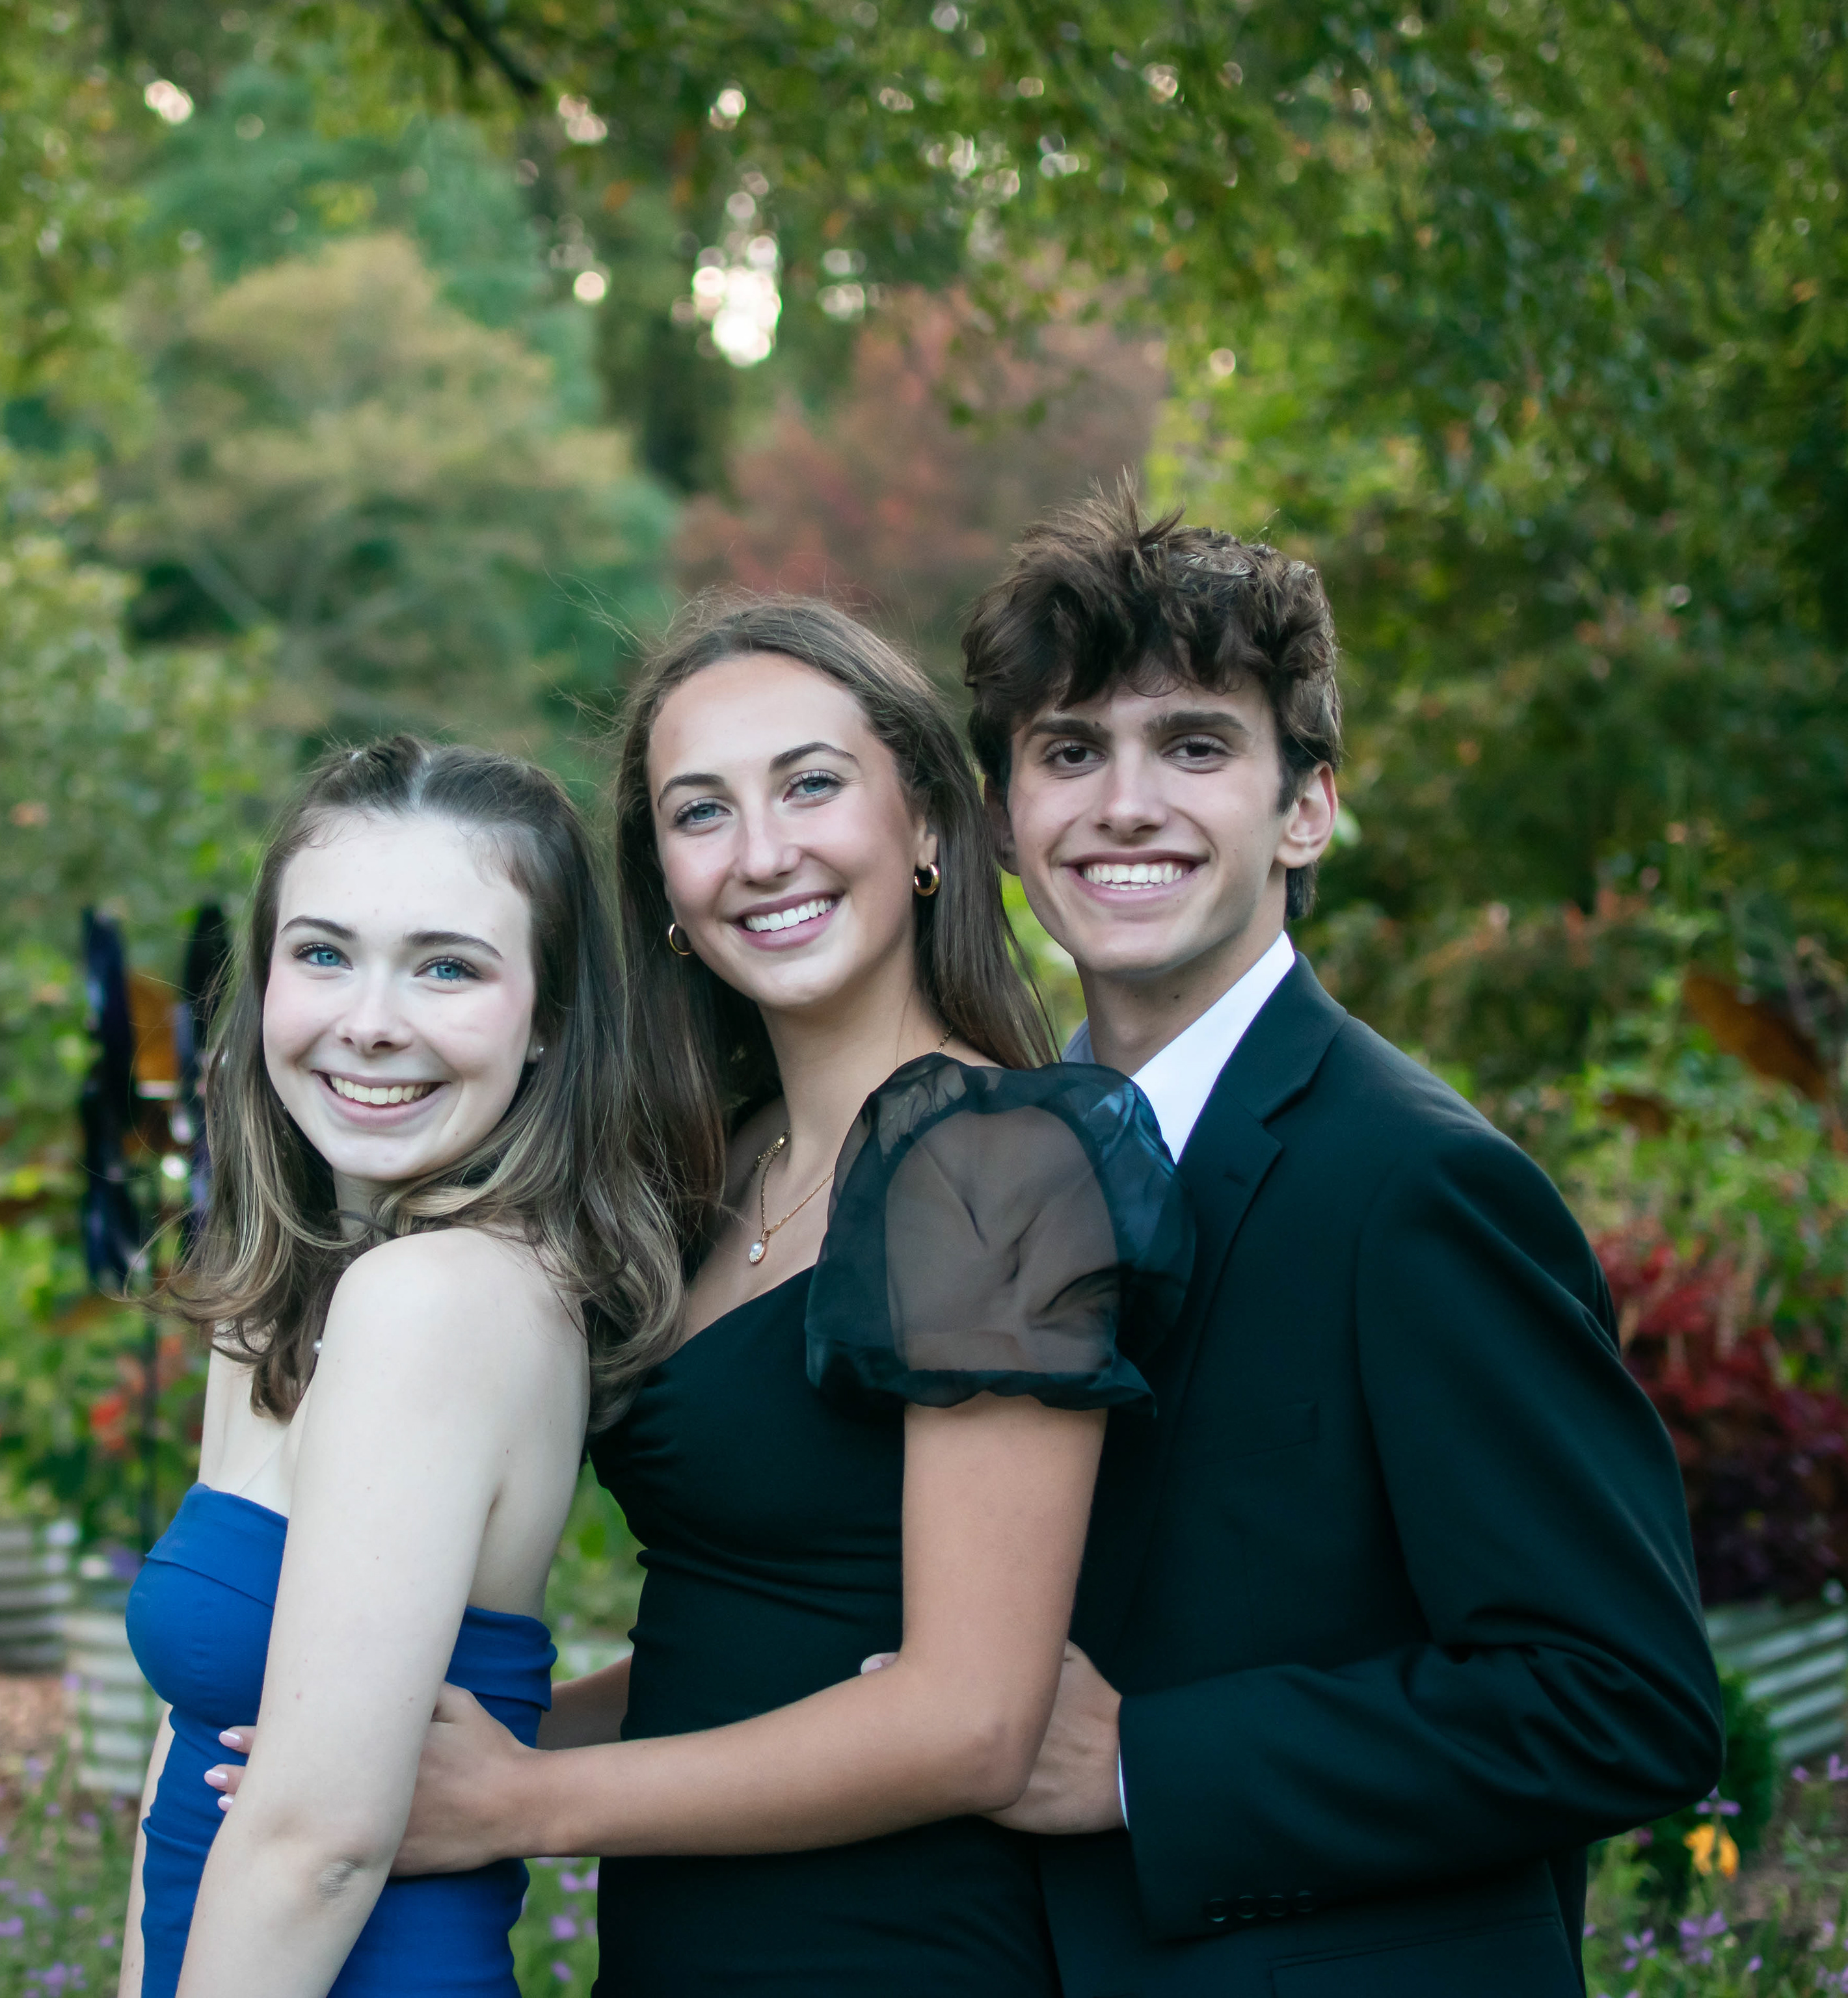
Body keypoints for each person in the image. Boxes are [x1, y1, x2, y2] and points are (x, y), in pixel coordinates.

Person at [210, 596, 1193, 1994]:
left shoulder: (995, 1162)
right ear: (663, 887)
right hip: (683, 1945)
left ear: (926, 823)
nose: (762, 852)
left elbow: (974, 1721)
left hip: (891, 1956)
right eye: (700, 812)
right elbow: (744, 1645)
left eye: (810, 785)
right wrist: (397, 1750)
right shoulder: (714, 1171)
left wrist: (525, 1802)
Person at [955, 486, 1724, 1993]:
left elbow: (1620, 1698)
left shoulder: (1422, 1186)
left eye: (1194, 747)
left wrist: (1145, 1765)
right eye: (1070, 751)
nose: (1125, 804)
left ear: (1305, 807)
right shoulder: (996, 1164)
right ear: (1002, 817)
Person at [119, 736, 684, 1998]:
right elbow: (188, 1748)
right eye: (323, 954)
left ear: (548, 1024)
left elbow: (319, 1849)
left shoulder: (439, 1300)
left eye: (448, 968)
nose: (370, 1025)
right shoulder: (287, 1292)